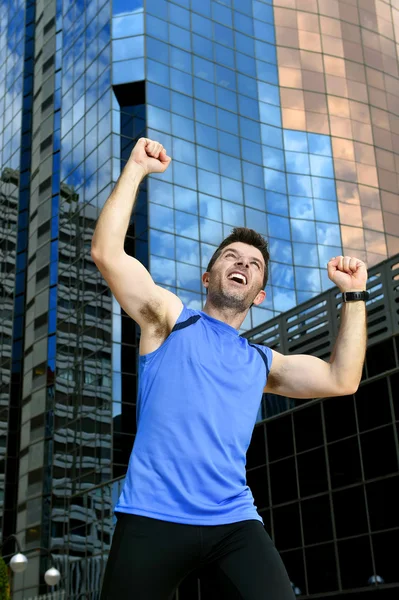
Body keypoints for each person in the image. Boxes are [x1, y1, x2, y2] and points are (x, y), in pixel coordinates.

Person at [92, 138, 368, 600]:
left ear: (258, 293)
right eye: (231, 257)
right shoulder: (169, 320)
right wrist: (137, 168)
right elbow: (107, 254)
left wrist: (355, 296)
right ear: (208, 276)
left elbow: (344, 379)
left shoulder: (261, 362)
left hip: (232, 521)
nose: (242, 262)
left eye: (253, 264)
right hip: (153, 516)